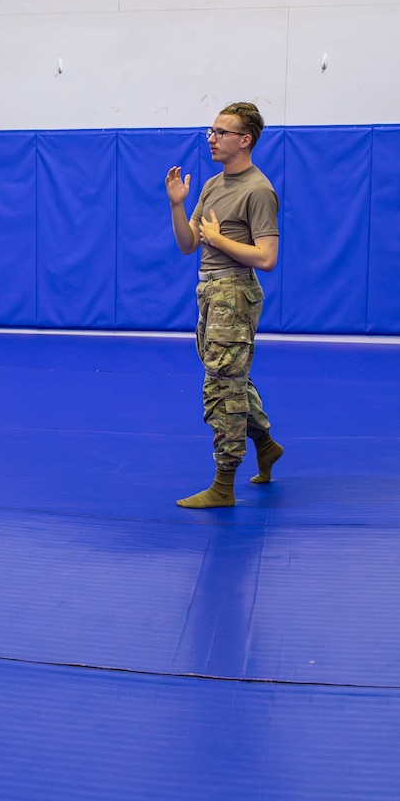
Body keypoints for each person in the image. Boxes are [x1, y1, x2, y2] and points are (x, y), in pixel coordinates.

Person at [166, 101, 285, 508]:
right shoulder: (213, 185)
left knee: (221, 388)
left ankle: (224, 485)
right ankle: (265, 445)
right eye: (211, 131)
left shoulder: (259, 190)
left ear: (244, 140)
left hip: (235, 293)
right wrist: (177, 204)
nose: (211, 138)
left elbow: (267, 258)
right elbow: (187, 245)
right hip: (209, 291)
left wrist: (219, 241)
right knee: (231, 379)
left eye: (220, 132)